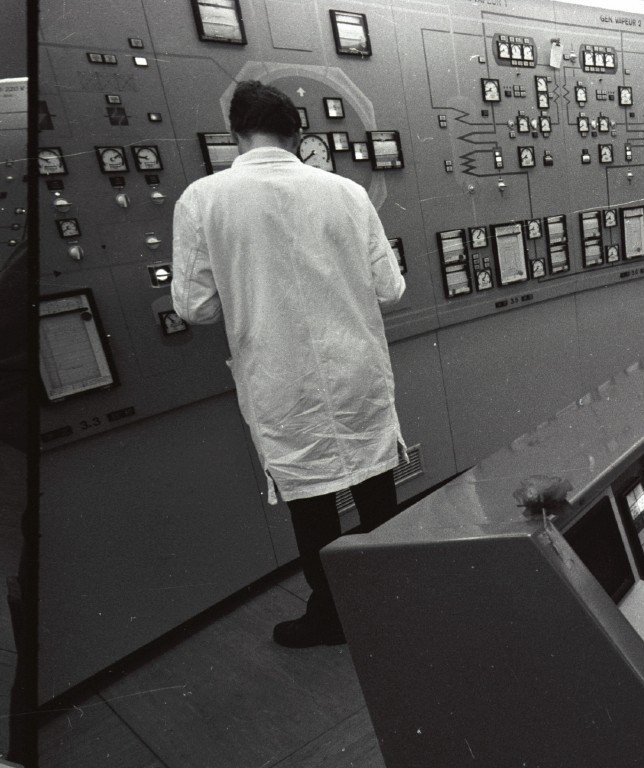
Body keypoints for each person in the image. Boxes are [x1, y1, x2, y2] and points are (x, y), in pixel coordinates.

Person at [172, 81, 407, 648]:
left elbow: (194, 307)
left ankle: (330, 616)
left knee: (312, 506)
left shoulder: (202, 199)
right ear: (298, 134)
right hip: (356, 371)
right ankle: (396, 601)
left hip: (281, 383)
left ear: (235, 136)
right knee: (377, 492)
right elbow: (390, 287)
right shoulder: (347, 194)